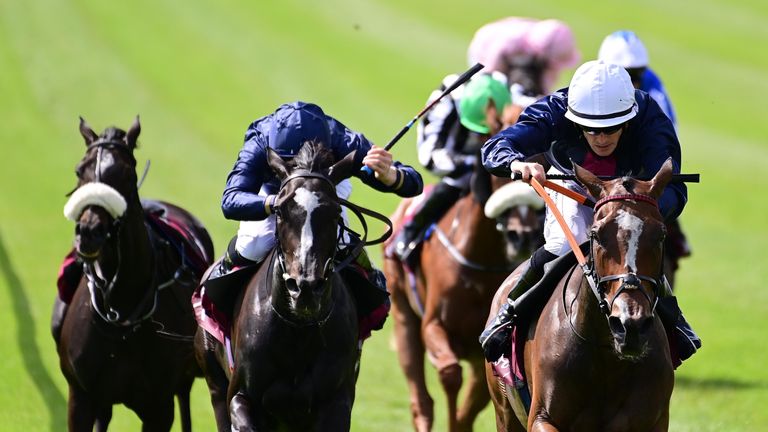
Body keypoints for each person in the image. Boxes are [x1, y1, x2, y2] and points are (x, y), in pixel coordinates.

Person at [478, 60, 701, 363]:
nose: (601, 138)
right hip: (573, 185)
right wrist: (516, 162)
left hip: (630, 193)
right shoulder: (555, 108)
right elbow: (496, 146)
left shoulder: (649, 116)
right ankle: (510, 312)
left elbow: (674, 189)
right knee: (562, 244)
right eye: (591, 129)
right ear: (573, 118)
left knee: (636, 243)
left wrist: (641, 209)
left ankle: (675, 321)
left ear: (629, 118)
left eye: (610, 129)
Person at [208, 101, 423, 334]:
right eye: (290, 165)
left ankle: (368, 282)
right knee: (254, 243)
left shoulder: (341, 139)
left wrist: (391, 175)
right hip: (274, 193)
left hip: (324, 192)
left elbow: (414, 181)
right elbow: (231, 200)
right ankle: (223, 276)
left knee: (341, 242)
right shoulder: (261, 139)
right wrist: (276, 203)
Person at [599, 30, 691, 274]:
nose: (632, 82)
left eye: (636, 75)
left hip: (640, 169)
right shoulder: (593, 83)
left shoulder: (653, 88)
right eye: (625, 74)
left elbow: (668, 134)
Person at [392, 73, 512, 261]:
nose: (484, 137)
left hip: (495, 157)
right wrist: (472, 163)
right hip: (455, 156)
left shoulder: (506, 92)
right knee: (458, 181)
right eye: (479, 133)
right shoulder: (445, 101)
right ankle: (411, 229)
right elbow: (429, 157)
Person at [467, 17, 581, 103]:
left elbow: (548, 77)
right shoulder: (509, 42)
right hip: (484, 50)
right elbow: (487, 74)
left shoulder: (544, 40)